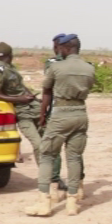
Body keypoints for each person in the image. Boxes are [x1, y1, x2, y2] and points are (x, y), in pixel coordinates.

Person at [30, 34, 95, 217]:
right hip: (81, 113)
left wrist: (42, 115)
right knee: (74, 157)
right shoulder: (89, 69)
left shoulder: (56, 67)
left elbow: (47, 93)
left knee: (47, 155)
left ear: (66, 48)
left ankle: (45, 202)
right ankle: (72, 203)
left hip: (61, 113)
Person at [0, 42, 45, 179]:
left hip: (32, 107)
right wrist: (20, 99)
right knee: (38, 144)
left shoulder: (10, 68)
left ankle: (52, 175)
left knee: (48, 142)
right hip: (21, 111)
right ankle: (46, 177)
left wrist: (33, 98)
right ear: (10, 55)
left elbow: (20, 86)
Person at [43, 33, 70, 197]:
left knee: (56, 148)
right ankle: (72, 184)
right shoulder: (74, 63)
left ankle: (55, 181)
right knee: (69, 150)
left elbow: (48, 87)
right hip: (69, 110)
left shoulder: (53, 64)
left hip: (57, 110)